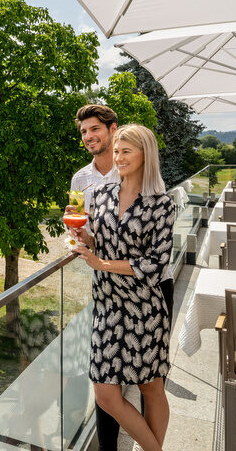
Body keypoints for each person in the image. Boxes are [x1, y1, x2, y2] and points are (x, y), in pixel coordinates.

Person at [69, 107, 174, 450]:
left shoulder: (162, 204)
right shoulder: (98, 194)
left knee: (150, 387)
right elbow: (96, 240)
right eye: (117, 151)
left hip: (146, 306)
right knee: (105, 392)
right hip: (108, 304)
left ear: (146, 155)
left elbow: (157, 265)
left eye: (126, 151)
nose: (118, 157)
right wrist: (79, 236)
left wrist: (102, 263)